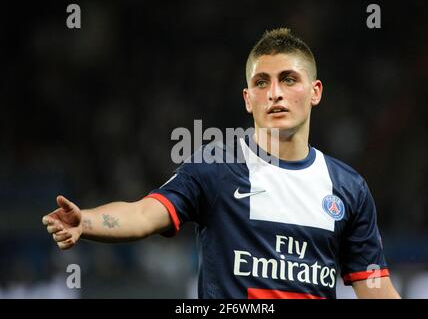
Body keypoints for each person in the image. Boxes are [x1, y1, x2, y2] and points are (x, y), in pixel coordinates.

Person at [42, 28, 400, 299]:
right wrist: (86, 221)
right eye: (262, 82)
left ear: (315, 92)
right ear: (248, 99)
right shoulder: (216, 168)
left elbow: (375, 286)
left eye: (288, 80)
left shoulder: (348, 187)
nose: (275, 92)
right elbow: (143, 214)